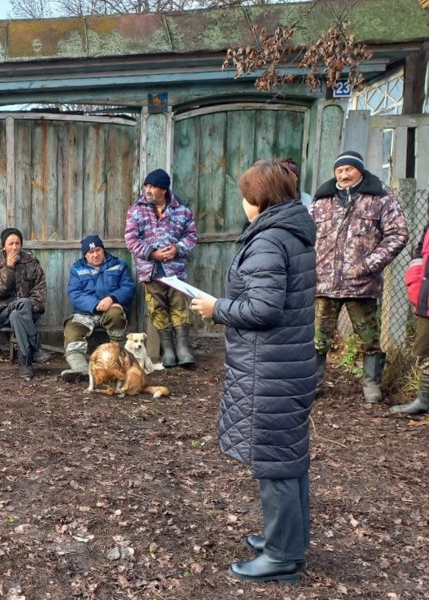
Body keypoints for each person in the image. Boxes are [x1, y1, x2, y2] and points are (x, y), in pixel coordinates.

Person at [190, 160, 316, 583]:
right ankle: (288, 540)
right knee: (289, 456)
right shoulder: (292, 233)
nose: (243, 203)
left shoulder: (269, 240)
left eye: (246, 195)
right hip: (286, 363)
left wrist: (215, 309)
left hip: (270, 368)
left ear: (259, 200)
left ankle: (282, 556)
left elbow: (263, 309)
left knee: (273, 461)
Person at [310, 150, 409, 403]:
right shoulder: (322, 200)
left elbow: (398, 234)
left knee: (369, 340)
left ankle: (371, 387)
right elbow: (306, 236)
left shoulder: (381, 198)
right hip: (325, 283)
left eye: (349, 169)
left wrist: (370, 264)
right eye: (339, 170)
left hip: (361, 283)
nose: (343, 175)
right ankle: (314, 383)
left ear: (360, 171)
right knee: (318, 338)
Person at [125, 168, 198, 368]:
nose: (147, 190)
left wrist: (177, 249)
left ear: (164, 189)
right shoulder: (136, 209)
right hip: (150, 270)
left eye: (153, 187)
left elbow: (191, 237)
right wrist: (152, 253)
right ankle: (168, 351)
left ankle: (183, 350)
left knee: (179, 307)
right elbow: (131, 240)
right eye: (146, 186)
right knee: (157, 309)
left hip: (175, 270)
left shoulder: (182, 209)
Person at [60, 235, 136, 382]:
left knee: (116, 314)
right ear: (85, 255)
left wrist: (112, 299)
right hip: (86, 312)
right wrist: (95, 305)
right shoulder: (77, 269)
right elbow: (74, 294)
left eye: (98, 250)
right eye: (90, 252)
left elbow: (128, 287)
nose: (95, 255)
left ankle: (116, 365)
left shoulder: (118, 265)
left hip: (111, 309)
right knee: (71, 329)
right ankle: (80, 370)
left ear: (103, 249)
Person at [0, 227, 47, 380]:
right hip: (3, 312)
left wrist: (29, 307)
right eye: (11, 243)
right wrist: (9, 268)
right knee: (15, 310)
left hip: (28, 311)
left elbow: (40, 290)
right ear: (3, 246)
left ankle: (25, 365)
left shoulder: (31, 262)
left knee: (17, 315)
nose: (14, 247)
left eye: (17, 243)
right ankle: (35, 347)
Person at [392, 223, 429, 415]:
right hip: (427, 299)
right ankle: (425, 400)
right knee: (425, 352)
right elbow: (419, 254)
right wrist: (415, 284)